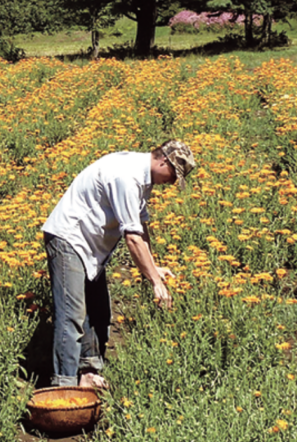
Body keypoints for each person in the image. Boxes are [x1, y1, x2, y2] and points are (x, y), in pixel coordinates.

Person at [40, 140, 197, 390]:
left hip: (89, 245)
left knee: (98, 311)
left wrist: (153, 268)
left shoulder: (141, 176)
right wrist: (155, 282)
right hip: (69, 238)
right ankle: (64, 386)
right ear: (163, 161)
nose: (171, 183)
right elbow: (132, 237)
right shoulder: (127, 176)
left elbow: (141, 227)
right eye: (173, 175)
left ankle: (88, 373)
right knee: (71, 315)